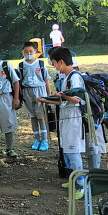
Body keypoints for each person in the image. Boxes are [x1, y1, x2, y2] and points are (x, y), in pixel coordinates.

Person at [38, 47, 86, 199]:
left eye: (54, 64)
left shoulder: (75, 77)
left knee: (73, 152)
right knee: (67, 151)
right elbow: (63, 100)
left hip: (74, 119)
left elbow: (78, 99)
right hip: (66, 117)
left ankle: (81, 184)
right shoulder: (65, 77)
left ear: (61, 62)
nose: (54, 67)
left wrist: (63, 95)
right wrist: (46, 99)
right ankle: (73, 179)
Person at [19, 41, 51, 151]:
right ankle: (37, 139)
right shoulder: (21, 65)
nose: (28, 53)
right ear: (22, 52)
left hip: (40, 91)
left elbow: (46, 80)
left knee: (41, 117)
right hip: (27, 92)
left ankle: (44, 140)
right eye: (26, 52)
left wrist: (49, 95)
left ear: (35, 51)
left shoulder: (41, 64)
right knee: (33, 117)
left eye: (30, 51)